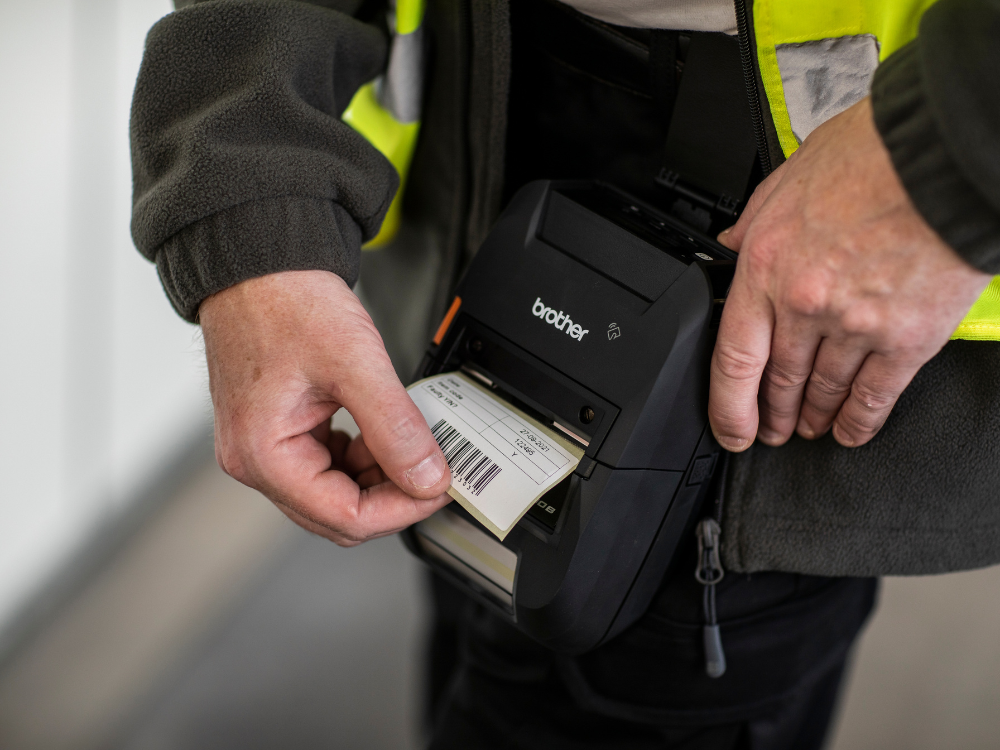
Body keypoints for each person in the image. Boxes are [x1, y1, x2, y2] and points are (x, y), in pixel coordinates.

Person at [130, 0, 1000, 746]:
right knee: (474, 600)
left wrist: (945, 159)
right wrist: (248, 200)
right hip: (493, 115)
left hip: (819, 191)